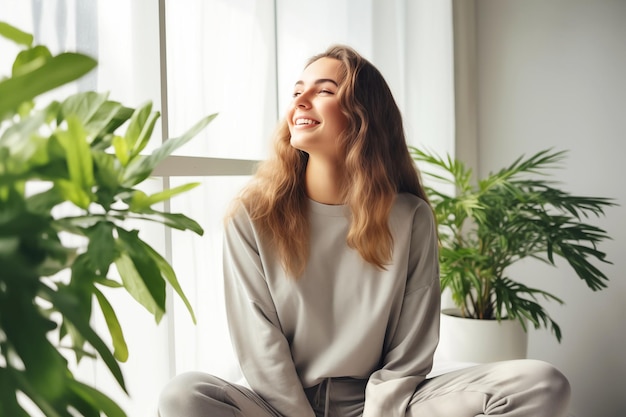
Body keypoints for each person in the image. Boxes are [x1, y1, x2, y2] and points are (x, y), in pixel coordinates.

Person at [158, 45, 571, 417]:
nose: (300, 100)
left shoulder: (410, 218)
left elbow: (410, 350)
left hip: (381, 404)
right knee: (183, 396)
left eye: (323, 91)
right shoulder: (253, 215)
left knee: (541, 384)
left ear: (362, 114)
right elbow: (259, 346)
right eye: (297, 90)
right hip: (279, 406)